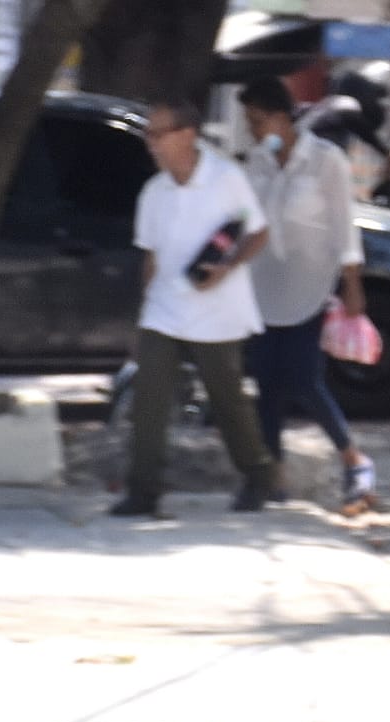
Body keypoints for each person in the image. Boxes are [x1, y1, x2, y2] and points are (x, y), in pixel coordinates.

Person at [110, 99, 276, 517]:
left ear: (187, 135)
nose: (151, 143)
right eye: (148, 134)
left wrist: (227, 267)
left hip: (217, 309)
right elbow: (150, 258)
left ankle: (258, 475)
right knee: (148, 400)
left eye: (158, 133)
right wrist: (143, 318)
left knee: (227, 400)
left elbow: (257, 232)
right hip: (164, 308)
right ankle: (143, 491)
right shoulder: (154, 192)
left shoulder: (226, 178)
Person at [237, 76, 376, 512]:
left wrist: (352, 284)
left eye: (258, 121)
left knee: (302, 378)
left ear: (281, 117)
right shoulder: (257, 162)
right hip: (264, 286)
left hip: (310, 283)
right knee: (267, 379)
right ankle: (271, 476)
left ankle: (353, 459)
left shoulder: (324, 160)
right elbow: (247, 222)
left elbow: (344, 226)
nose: (253, 130)